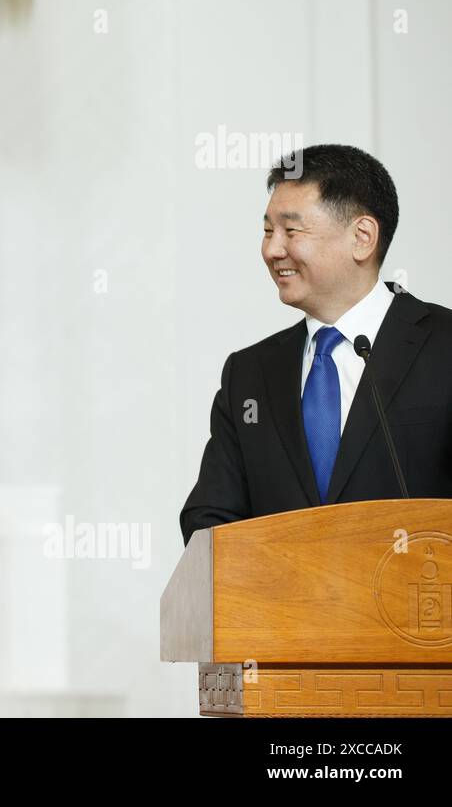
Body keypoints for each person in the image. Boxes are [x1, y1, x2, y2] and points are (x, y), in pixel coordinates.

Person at [180, 144, 452, 545]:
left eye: (291, 230)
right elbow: (210, 517)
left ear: (362, 237)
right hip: (285, 606)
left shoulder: (443, 345)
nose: (272, 250)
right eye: (267, 231)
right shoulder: (249, 375)